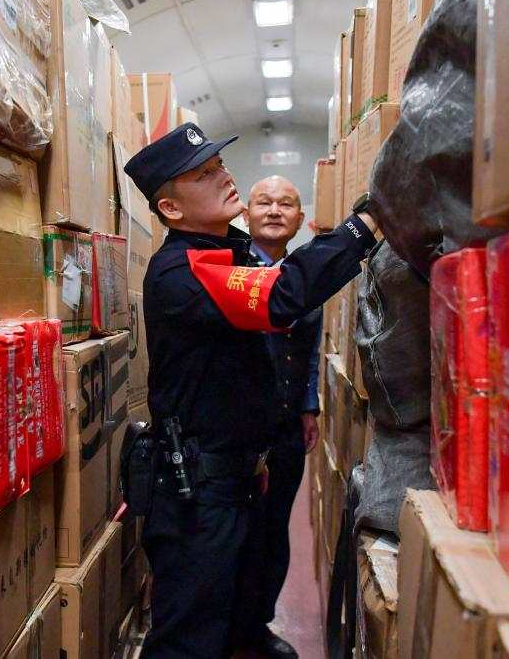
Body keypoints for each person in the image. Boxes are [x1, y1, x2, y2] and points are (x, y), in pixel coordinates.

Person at [123, 123, 377, 659]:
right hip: (199, 494)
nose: (224, 177)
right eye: (203, 174)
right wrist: (365, 226)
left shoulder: (226, 253)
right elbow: (283, 293)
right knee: (189, 641)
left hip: (235, 480)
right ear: (171, 208)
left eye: (219, 165)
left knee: (236, 620)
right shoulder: (185, 270)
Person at [241, 176, 322, 659]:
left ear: (300, 218)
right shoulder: (231, 270)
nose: (274, 210)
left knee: (276, 532)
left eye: (286, 204)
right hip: (243, 434)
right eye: (264, 202)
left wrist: (310, 404)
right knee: (242, 533)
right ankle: (231, 631)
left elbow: (310, 350)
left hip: (288, 428)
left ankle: (258, 627)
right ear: (246, 214)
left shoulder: (303, 275)